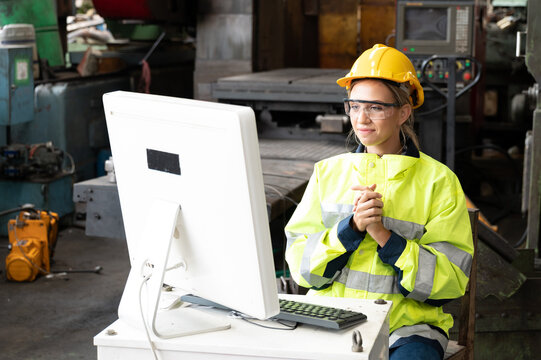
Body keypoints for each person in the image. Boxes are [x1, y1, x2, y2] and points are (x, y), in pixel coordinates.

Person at [284, 44, 474, 360]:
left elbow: (451, 282)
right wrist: (351, 229)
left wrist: (385, 238)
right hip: (333, 320)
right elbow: (302, 271)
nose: (362, 119)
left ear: (404, 112)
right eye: (354, 106)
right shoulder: (327, 173)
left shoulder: (439, 182)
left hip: (408, 330)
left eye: (375, 108)